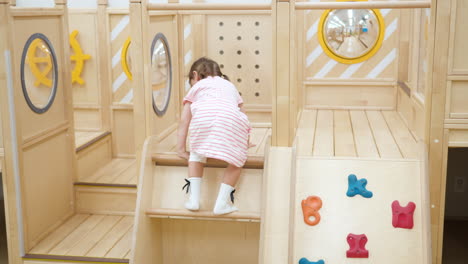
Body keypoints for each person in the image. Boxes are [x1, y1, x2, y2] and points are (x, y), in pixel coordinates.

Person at [177, 57, 252, 215]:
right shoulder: (230, 86)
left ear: (196, 76)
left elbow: (184, 121)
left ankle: (194, 199)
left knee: (196, 155)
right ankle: (222, 203)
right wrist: (245, 141)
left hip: (203, 122)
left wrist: (181, 149)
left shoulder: (197, 87)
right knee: (237, 161)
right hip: (232, 123)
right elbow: (242, 115)